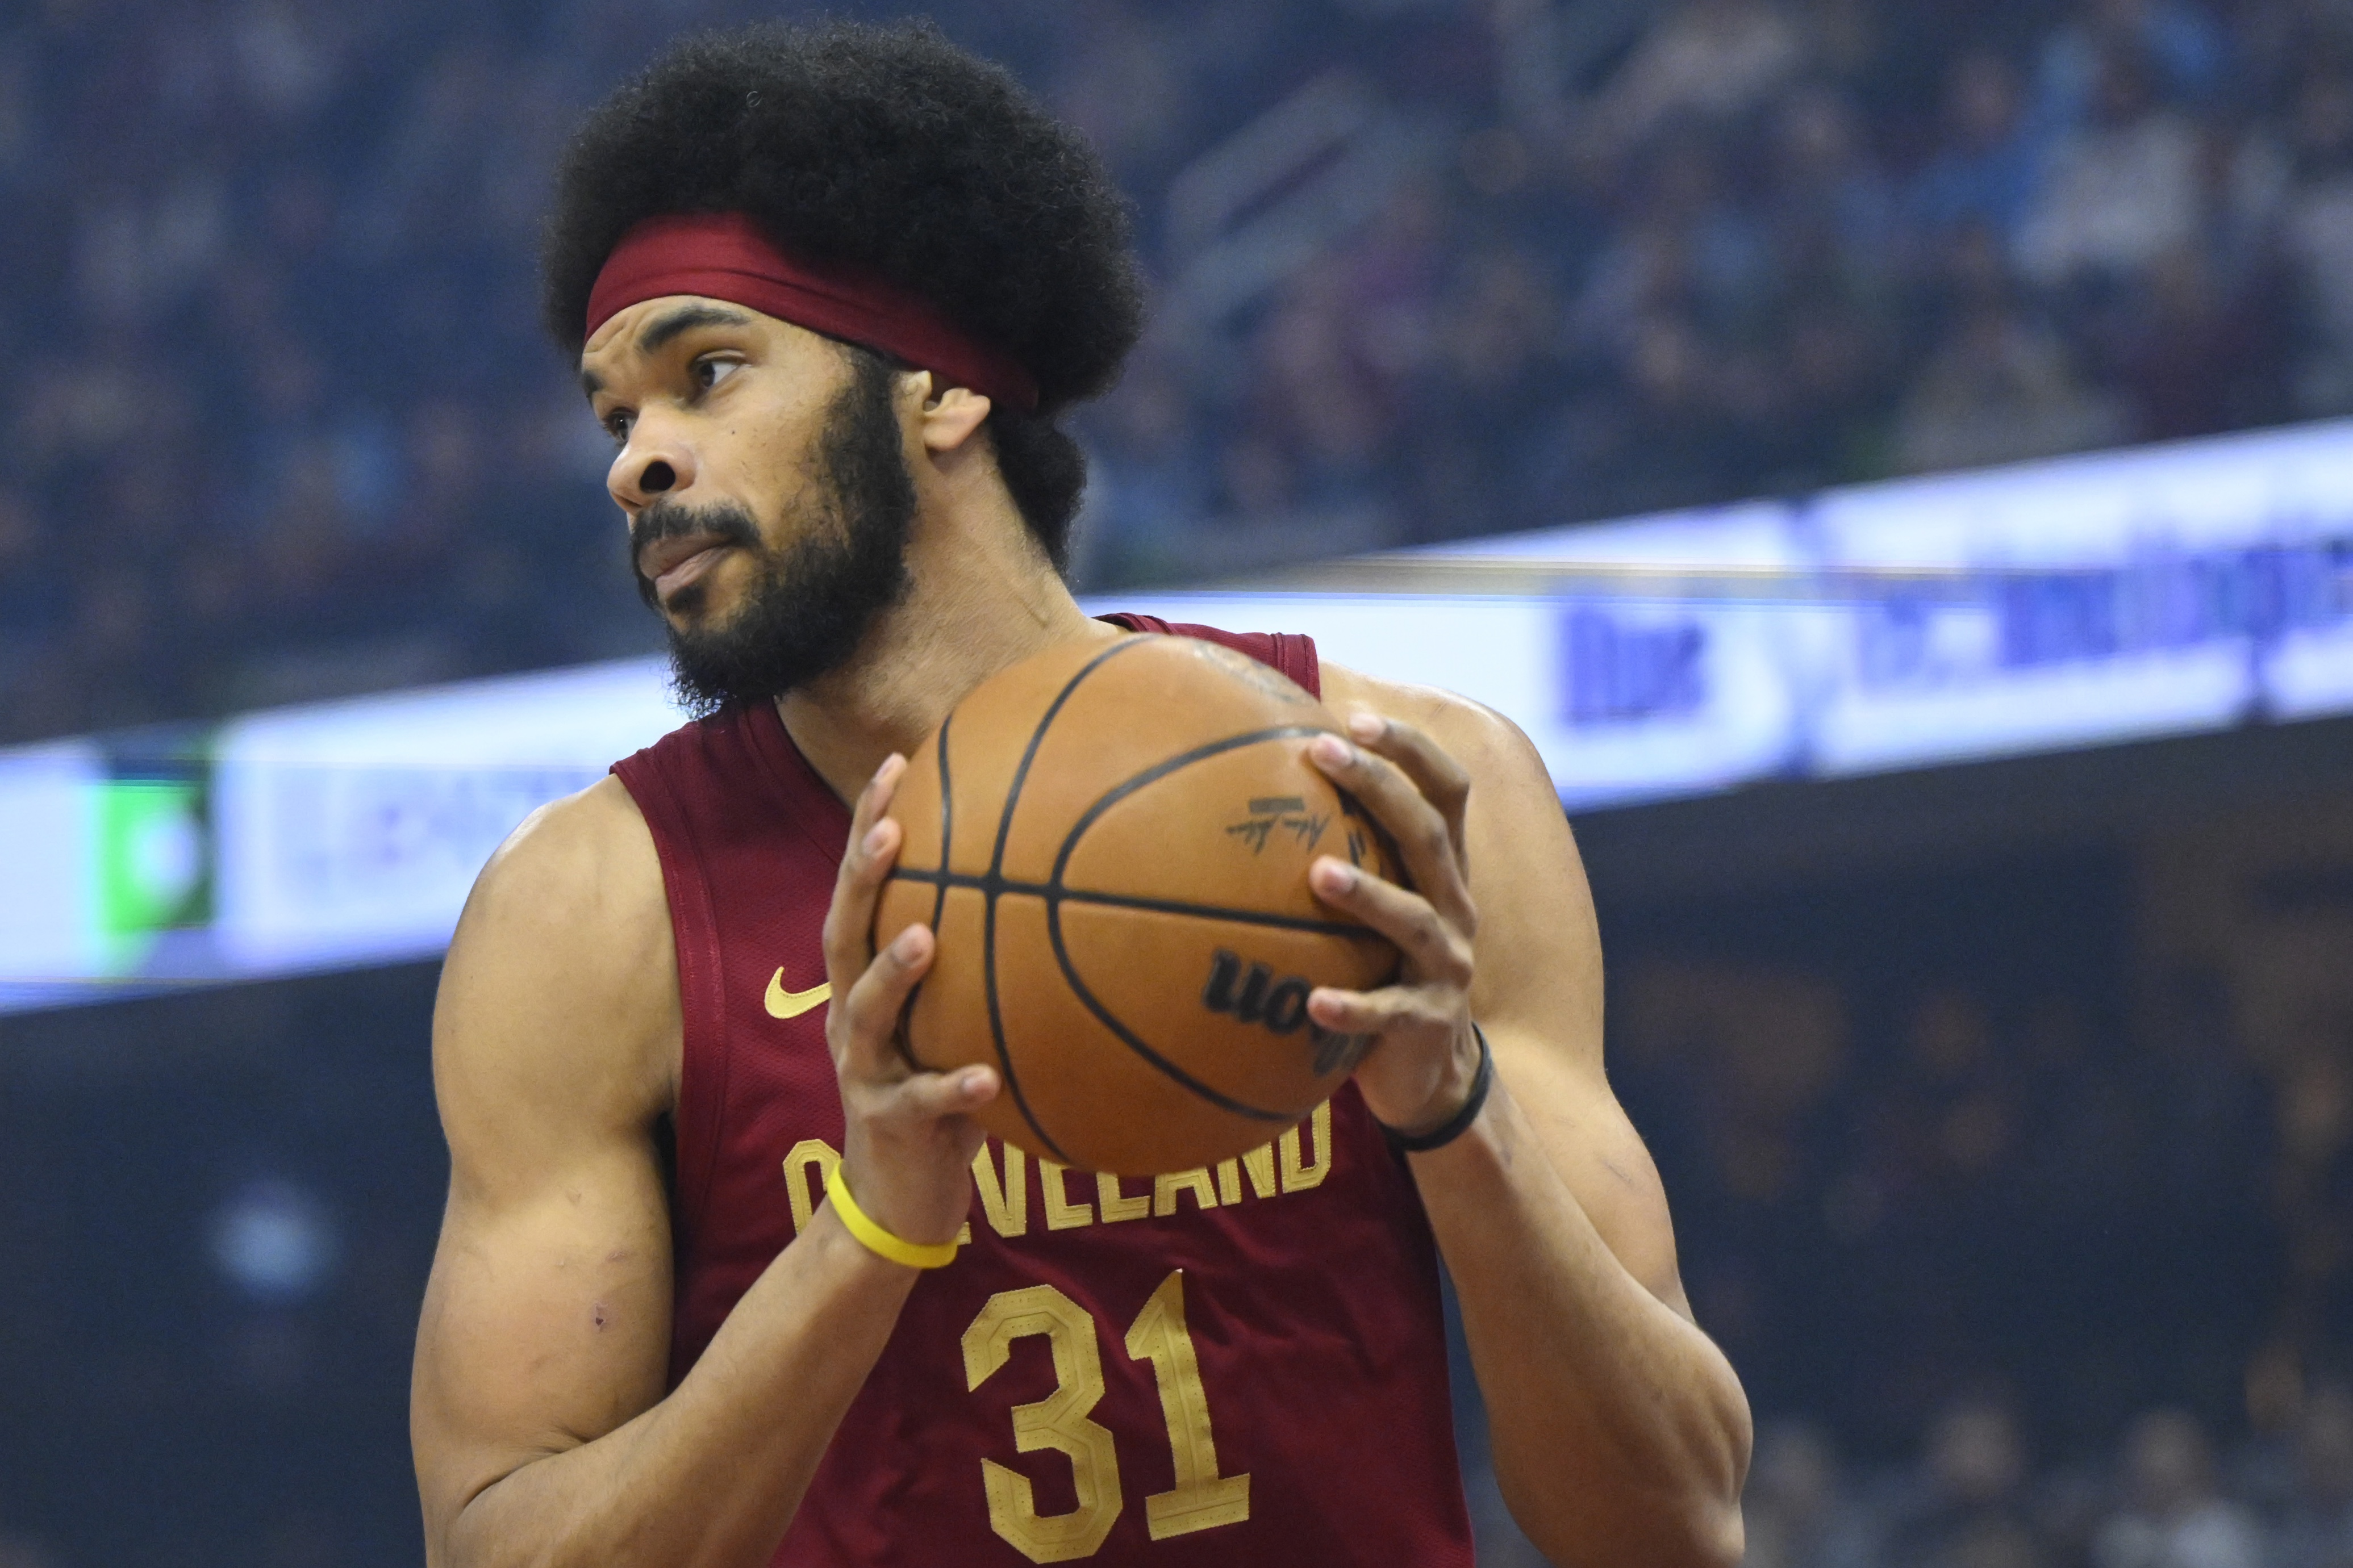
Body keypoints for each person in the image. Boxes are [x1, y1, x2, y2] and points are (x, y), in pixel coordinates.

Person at [407, 21, 1750, 1567]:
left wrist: (1457, 1111)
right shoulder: (590, 914)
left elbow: (1674, 1526)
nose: (635, 463)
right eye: (617, 417)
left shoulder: (1392, 794)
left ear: (940, 391)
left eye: (707, 375)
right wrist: (868, 1235)